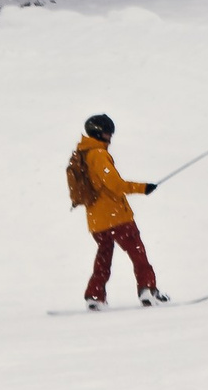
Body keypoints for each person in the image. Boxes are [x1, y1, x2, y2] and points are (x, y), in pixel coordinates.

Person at [69, 113, 165, 308]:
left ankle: (95, 296)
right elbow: (115, 184)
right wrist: (143, 188)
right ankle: (148, 290)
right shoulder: (97, 154)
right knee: (138, 253)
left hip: (96, 220)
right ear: (99, 133)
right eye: (107, 132)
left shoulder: (81, 154)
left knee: (103, 257)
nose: (110, 137)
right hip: (116, 217)